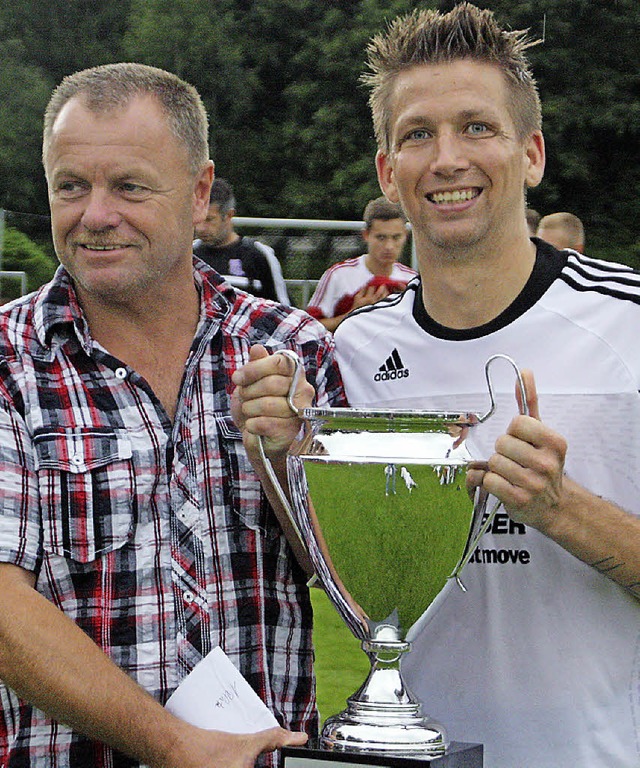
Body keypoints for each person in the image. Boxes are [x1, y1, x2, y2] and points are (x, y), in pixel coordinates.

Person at [232, 4, 640, 766]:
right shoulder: (355, 350)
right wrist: (289, 452)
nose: (447, 157)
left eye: (477, 127)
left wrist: (564, 509)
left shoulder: (628, 329)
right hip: (406, 755)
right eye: (418, 133)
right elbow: (339, 575)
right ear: (390, 170)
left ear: (532, 153)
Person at [0, 62, 345, 768]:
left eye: (128, 186)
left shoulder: (292, 348)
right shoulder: (9, 359)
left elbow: (351, 586)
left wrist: (289, 458)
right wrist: (180, 748)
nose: (96, 214)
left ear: (198, 193)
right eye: (71, 186)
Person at [306, 197, 416, 332]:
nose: (389, 246)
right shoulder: (339, 275)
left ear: (406, 235)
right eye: (381, 237)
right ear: (366, 235)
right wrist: (352, 314)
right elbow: (309, 327)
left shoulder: (412, 280)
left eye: (396, 237)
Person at [194, 178, 290, 304]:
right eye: (198, 218)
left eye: (209, 219)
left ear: (229, 216)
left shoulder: (259, 255)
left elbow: (284, 310)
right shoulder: (190, 254)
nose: (200, 228)